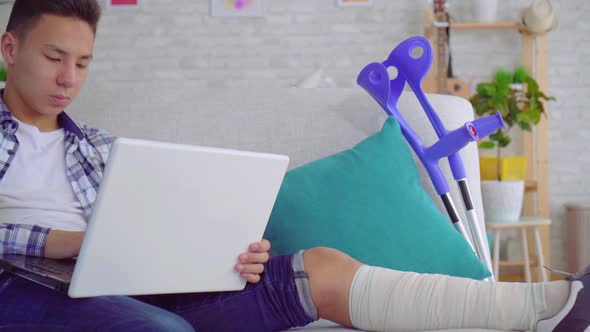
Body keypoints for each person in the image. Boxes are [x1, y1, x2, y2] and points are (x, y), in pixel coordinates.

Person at [0, 1, 587, 331]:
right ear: (9, 49)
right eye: (54, 57)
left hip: (129, 282)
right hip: (29, 290)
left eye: (82, 61)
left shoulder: (99, 146)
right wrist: (73, 242)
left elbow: (142, 230)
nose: (69, 78)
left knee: (320, 267)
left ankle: (533, 309)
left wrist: (219, 249)